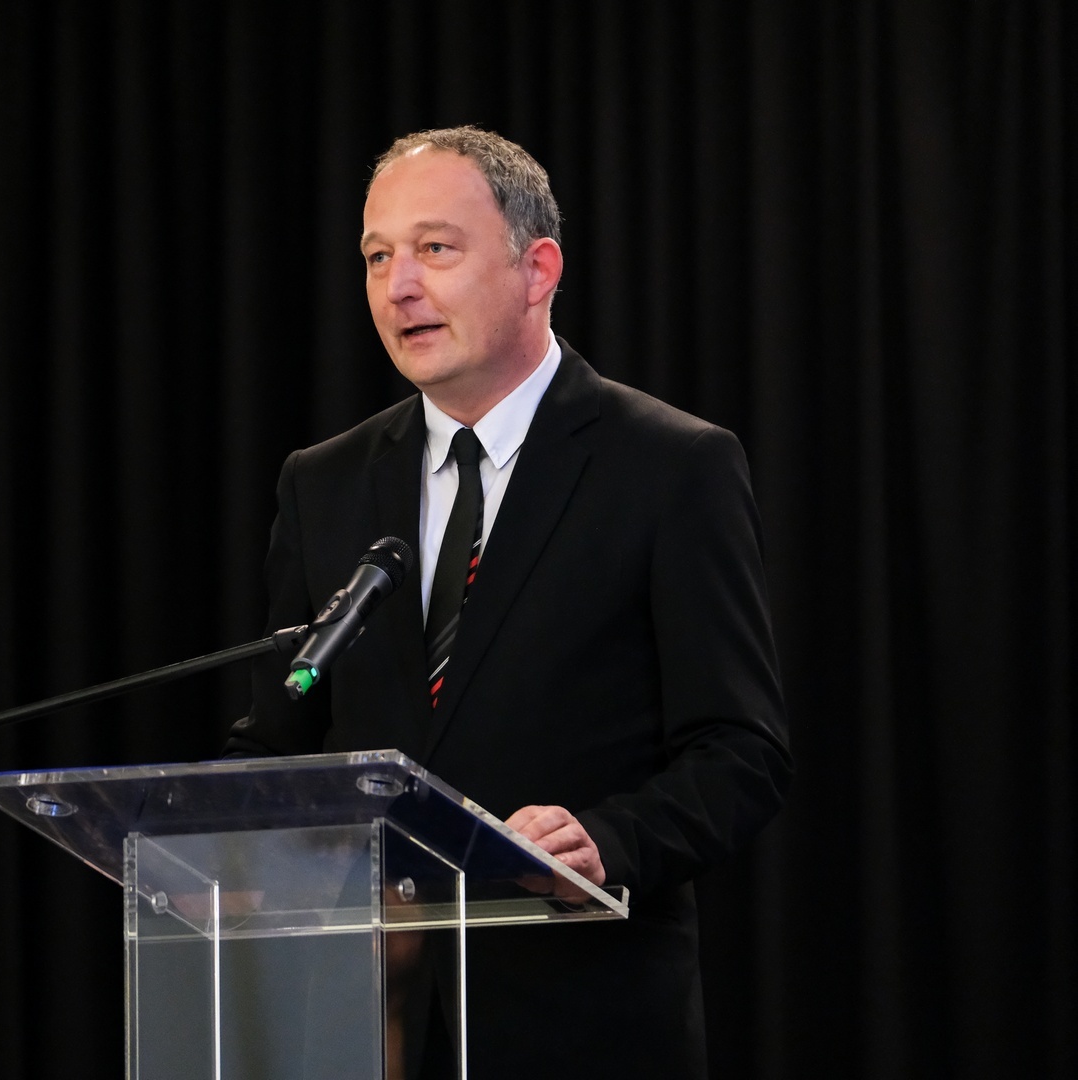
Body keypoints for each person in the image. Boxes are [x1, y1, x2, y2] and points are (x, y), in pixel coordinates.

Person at [225, 126, 792, 1078]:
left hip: (580, 1025)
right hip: (369, 1027)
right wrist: (212, 831)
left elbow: (741, 752)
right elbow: (283, 737)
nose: (399, 286)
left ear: (537, 270)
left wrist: (607, 840)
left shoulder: (669, 466)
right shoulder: (323, 484)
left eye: (434, 248)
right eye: (377, 257)